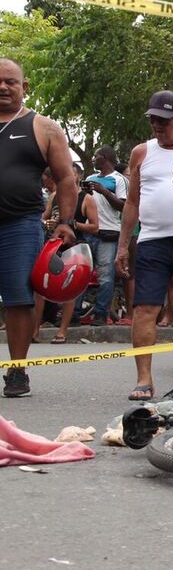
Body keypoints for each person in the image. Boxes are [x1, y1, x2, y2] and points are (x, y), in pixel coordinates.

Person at [0, 58, 77, 398]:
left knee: (18, 298)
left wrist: (65, 222)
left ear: (24, 87)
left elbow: (66, 179)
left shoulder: (43, 127)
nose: (3, 87)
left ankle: (17, 372)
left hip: (20, 225)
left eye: (10, 82)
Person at [116, 91, 173, 401]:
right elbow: (132, 202)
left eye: (164, 120)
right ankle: (144, 379)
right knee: (145, 308)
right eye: (153, 120)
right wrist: (123, 245)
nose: (157, 126)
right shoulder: (141, 153)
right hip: (151, 242)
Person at [31, 167, 99, 344]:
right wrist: (48, 223)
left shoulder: (86, 199)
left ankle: (62, 331)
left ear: (78, 176)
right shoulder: (54, 196)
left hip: (74, 249)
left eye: (73, 172)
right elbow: (44, 217)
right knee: (40, 287)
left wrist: (73, 224)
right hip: (52, 246)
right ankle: (34, 330)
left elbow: (95, 226)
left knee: (69, 289)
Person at [84, 145, 128, 325]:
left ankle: (101, 313)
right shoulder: (90, 178)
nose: (93, 159)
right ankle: (76, 313)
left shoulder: (119, 180)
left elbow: (123, 206)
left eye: (96, 156)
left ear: (105, 158)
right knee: (83, 273)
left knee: (106, 275)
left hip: (109, 232)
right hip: (88, 230)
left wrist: (103, 191)